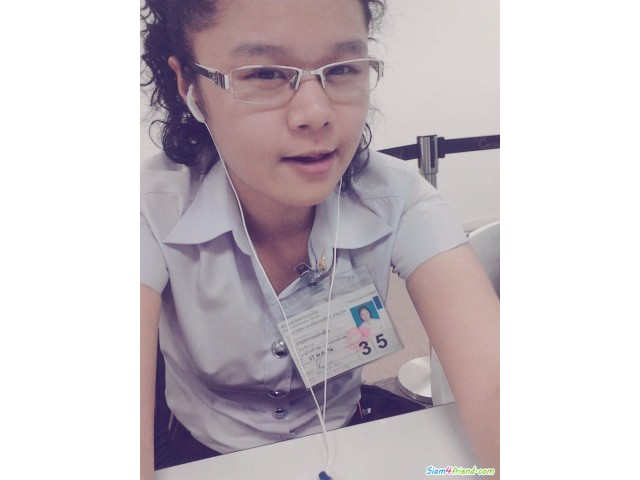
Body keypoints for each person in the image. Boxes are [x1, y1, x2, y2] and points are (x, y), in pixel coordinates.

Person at [140, 1, 500, 479]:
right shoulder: (150, 209)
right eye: (264, 73)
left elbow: (496, 386)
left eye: (343, 68)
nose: (316, 113)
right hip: (201, 455)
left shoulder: (396, 198)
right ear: (189, 85)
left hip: (349, 439)